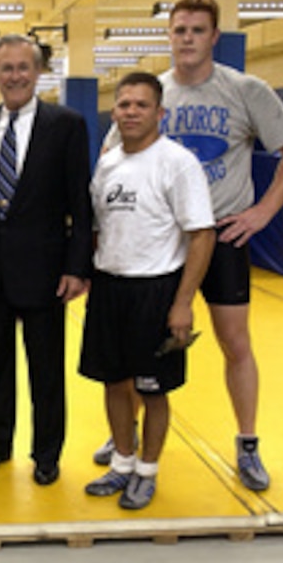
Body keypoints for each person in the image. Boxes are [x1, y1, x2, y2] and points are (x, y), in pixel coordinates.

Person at [98, 0, 283, 492]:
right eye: (179, 30)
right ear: (169, 35)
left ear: (215, 36)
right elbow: (112, 160)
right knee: (139, 347)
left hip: (221, 234)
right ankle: (124, 438)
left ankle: (248, 442)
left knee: (234, 342)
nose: (188, 39)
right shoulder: (152, 93)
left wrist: (264, 211)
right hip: (160, 242)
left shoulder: (245, 90)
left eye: (198, 30)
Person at [80, 72, 215, 510]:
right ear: (114, 111)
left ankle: (147, 470)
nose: (131, 112)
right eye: (124, 105)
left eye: (141, 105)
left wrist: (182, 303)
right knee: (114, 383)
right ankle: (122, 463)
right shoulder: (108, 164)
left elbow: (201, 235)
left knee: (153, 389)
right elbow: (101, 227)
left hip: (156, 292)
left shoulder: (177, 162)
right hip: (110, 288)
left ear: (160, 113)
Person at [0, 34, 92, 486]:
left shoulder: (67, 125)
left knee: (46, 368)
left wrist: (78, 267)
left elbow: (81, 198)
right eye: (6, 68)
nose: (15, 76)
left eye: (23, 67)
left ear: (38, 73)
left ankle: (47, 453)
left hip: (46, 271)